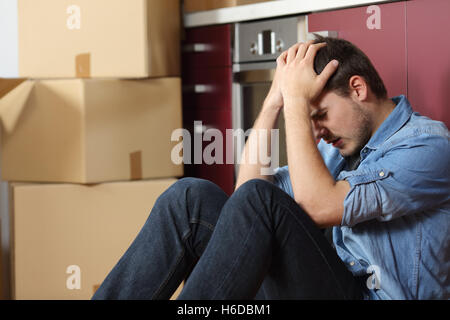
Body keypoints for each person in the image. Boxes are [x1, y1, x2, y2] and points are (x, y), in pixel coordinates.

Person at [92, 36, 449, 300]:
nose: (318, 134)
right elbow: (245, 200)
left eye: (321, 116)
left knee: (262, 200)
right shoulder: (339, 148)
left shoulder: (428, 145)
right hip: (324, 286)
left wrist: (296, 100)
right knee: (190, 198)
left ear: (357, 89)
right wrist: (274, 100)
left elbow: (320, 205)